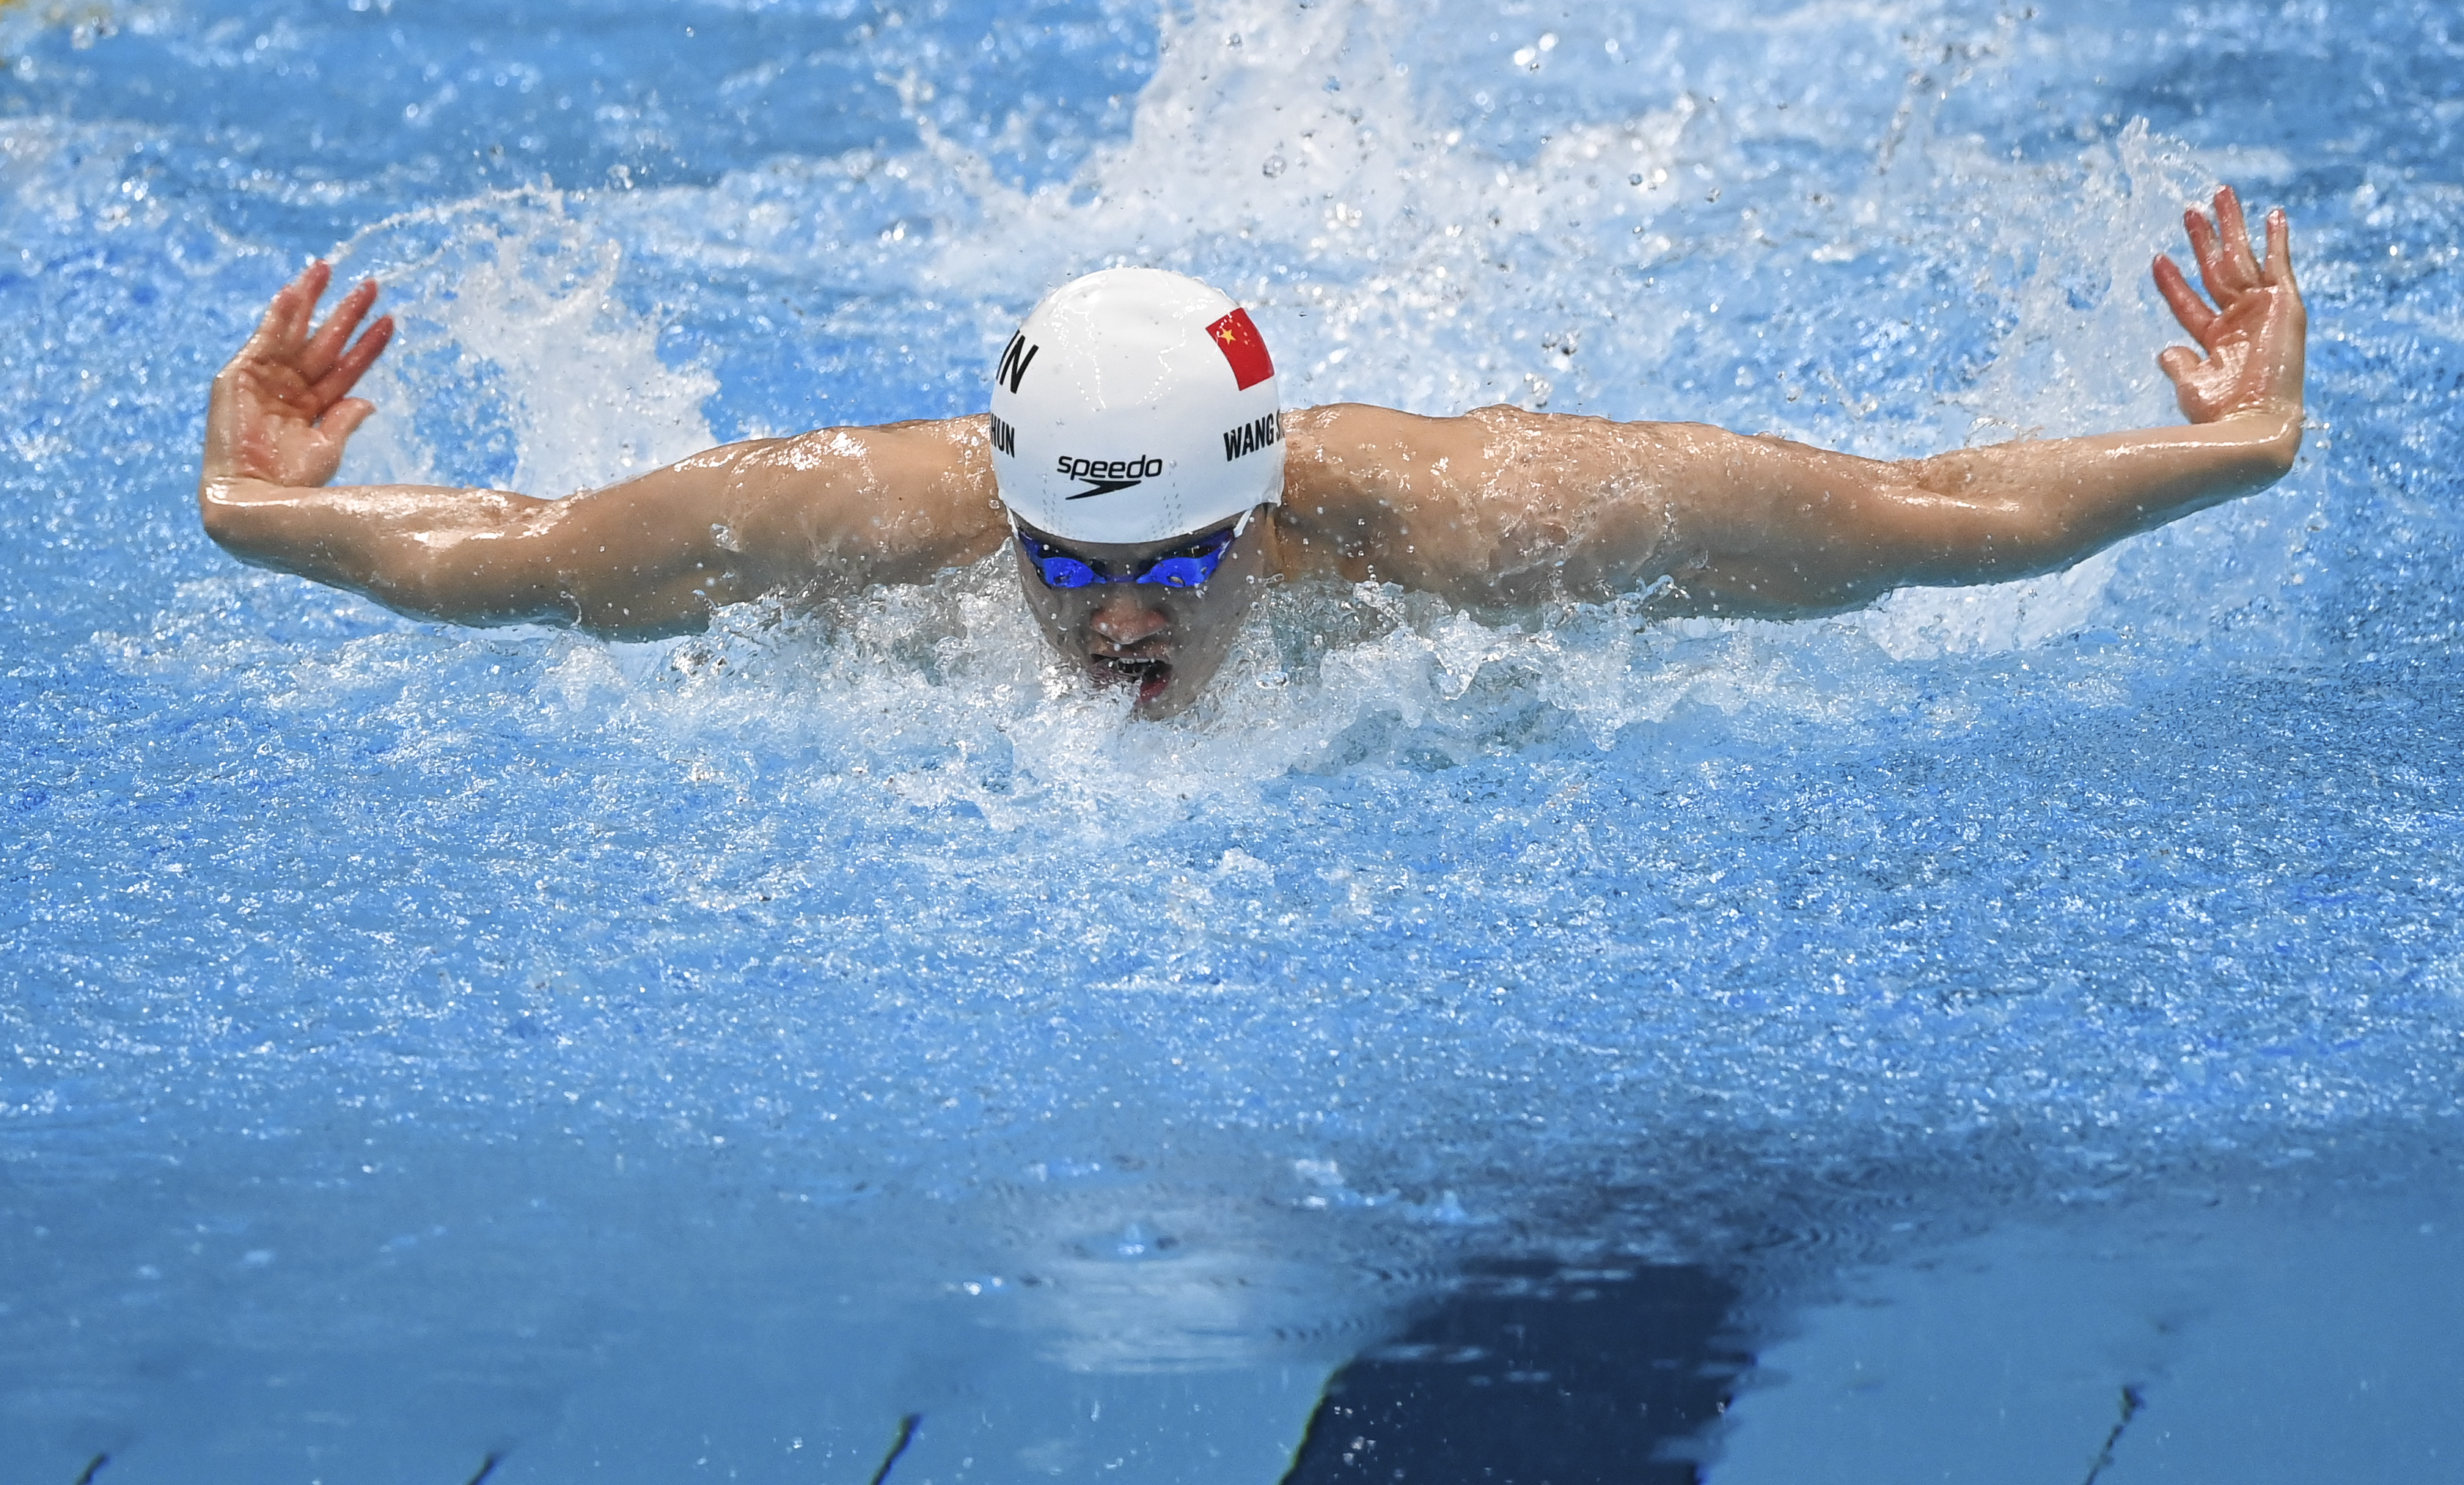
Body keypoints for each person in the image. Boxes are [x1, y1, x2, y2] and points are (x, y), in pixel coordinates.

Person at [197, 187, 2306, 718]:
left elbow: (1916, 519)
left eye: (1180, 568)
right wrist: (265, 504)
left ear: (1266, 502)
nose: (1121, 620)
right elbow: (526, 551)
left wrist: (2229, 446)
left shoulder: (1475, 527)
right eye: (1072, 567)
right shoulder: (866, 524)